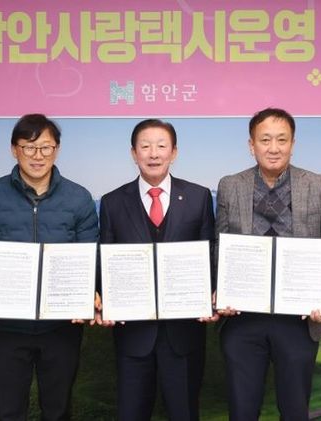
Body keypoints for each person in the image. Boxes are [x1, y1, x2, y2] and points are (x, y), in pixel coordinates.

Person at [0, 114, 99, 420]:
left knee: (58, 411)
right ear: (14, 149)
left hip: (62, 326)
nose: (38, 156)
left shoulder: (79, 198)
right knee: (9, 411)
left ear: (57, 150)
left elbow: (90, 253)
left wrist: (91, 291)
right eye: (29, 147)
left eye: (46, 147)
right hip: (7, 325)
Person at [215, 108, 321, 420]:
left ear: (293, 144)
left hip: (299, 319)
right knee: (242, 410)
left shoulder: (319, 184)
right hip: (243, 319)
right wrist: (222, 289)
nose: (274, 148)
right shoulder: (231, 185)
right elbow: (220, 242)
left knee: (295, 409)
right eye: (265, 140)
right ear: (251, 145)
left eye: (282, 140)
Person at [97, 119, 216, 421]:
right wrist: (103, 298)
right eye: (145, 146)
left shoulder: (199, 197)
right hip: (132, 333)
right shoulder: (112, 202)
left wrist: (211, 296)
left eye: (161, 146)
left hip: (184, 333)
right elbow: (105, 260)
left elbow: (209, 255)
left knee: (184, 413)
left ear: (174, 152)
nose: (153, 153)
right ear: (133, 153)